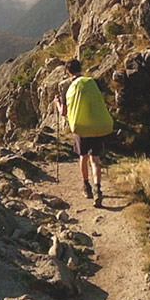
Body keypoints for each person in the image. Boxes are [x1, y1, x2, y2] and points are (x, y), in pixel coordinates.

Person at [53, 58, 113, 207]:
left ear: (68, 71)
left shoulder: (67, 86)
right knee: (95, 160)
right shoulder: (92, 82)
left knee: (83, 158)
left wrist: (57, 103)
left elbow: (63, 112)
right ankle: (98, 189)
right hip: (97, 126)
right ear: (81, 68)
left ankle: (86, 187)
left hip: (81, 127)